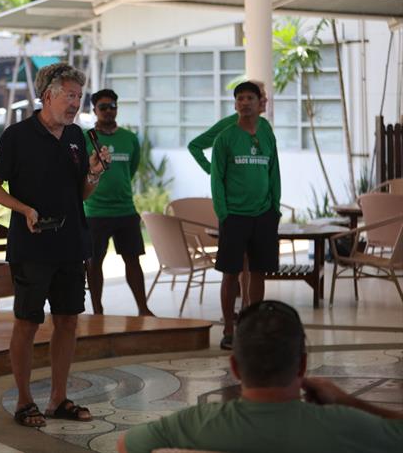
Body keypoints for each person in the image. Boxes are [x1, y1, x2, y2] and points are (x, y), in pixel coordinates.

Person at [0, 63, 110, 427]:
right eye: (69, 95)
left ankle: (58, 398)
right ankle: (24, 401)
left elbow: (80, 193)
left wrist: (94, 173)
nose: (75, 103)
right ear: (47, 96)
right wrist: (23, 209)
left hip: (71, 243)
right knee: (27, 321)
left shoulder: (77, 136)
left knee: (68, 320)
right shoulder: (17, 136)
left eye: (78, 96)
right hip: (32, 245)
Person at [118, 300, 403, 453]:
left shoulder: (191, 424)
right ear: (302, 366)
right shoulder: (347, 427)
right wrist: (353, 404)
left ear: (235, 368)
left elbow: (126, 445)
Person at [187, 79, 271, 305]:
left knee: (253, 266)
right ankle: (237, 314)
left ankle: (248, 308)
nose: (263, 99)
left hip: (260, 212)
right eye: (258, 95)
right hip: (234, 208)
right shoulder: (228, 127)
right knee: (235, 267)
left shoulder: (263, 128)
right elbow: (194, 146)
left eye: (261, 95)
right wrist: (213, 172)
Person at [211, 81, 281, 350]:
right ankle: (229, 329)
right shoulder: (225, 138)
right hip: (234, 216)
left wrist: (275, 207)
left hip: (264, 214)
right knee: (230, 273)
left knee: (258, 271)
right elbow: (217, 178)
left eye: (250, 98)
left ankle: (253, 324)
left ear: (259, 101)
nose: (245, 102)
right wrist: (223, 212)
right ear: (235, 104)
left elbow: (274, 170)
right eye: (240, 98)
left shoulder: (266, 133)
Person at [83, 89, 153, 316]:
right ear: (94, 110)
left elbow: (130, 169)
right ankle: (97, 311)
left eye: (112, 106)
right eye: (103, 107)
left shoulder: (130, 139)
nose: (108, 111)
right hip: (95, 211)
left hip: (125, 210)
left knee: (133, 261)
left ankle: (143, 308)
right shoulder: (86, 139)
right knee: (94, 263)